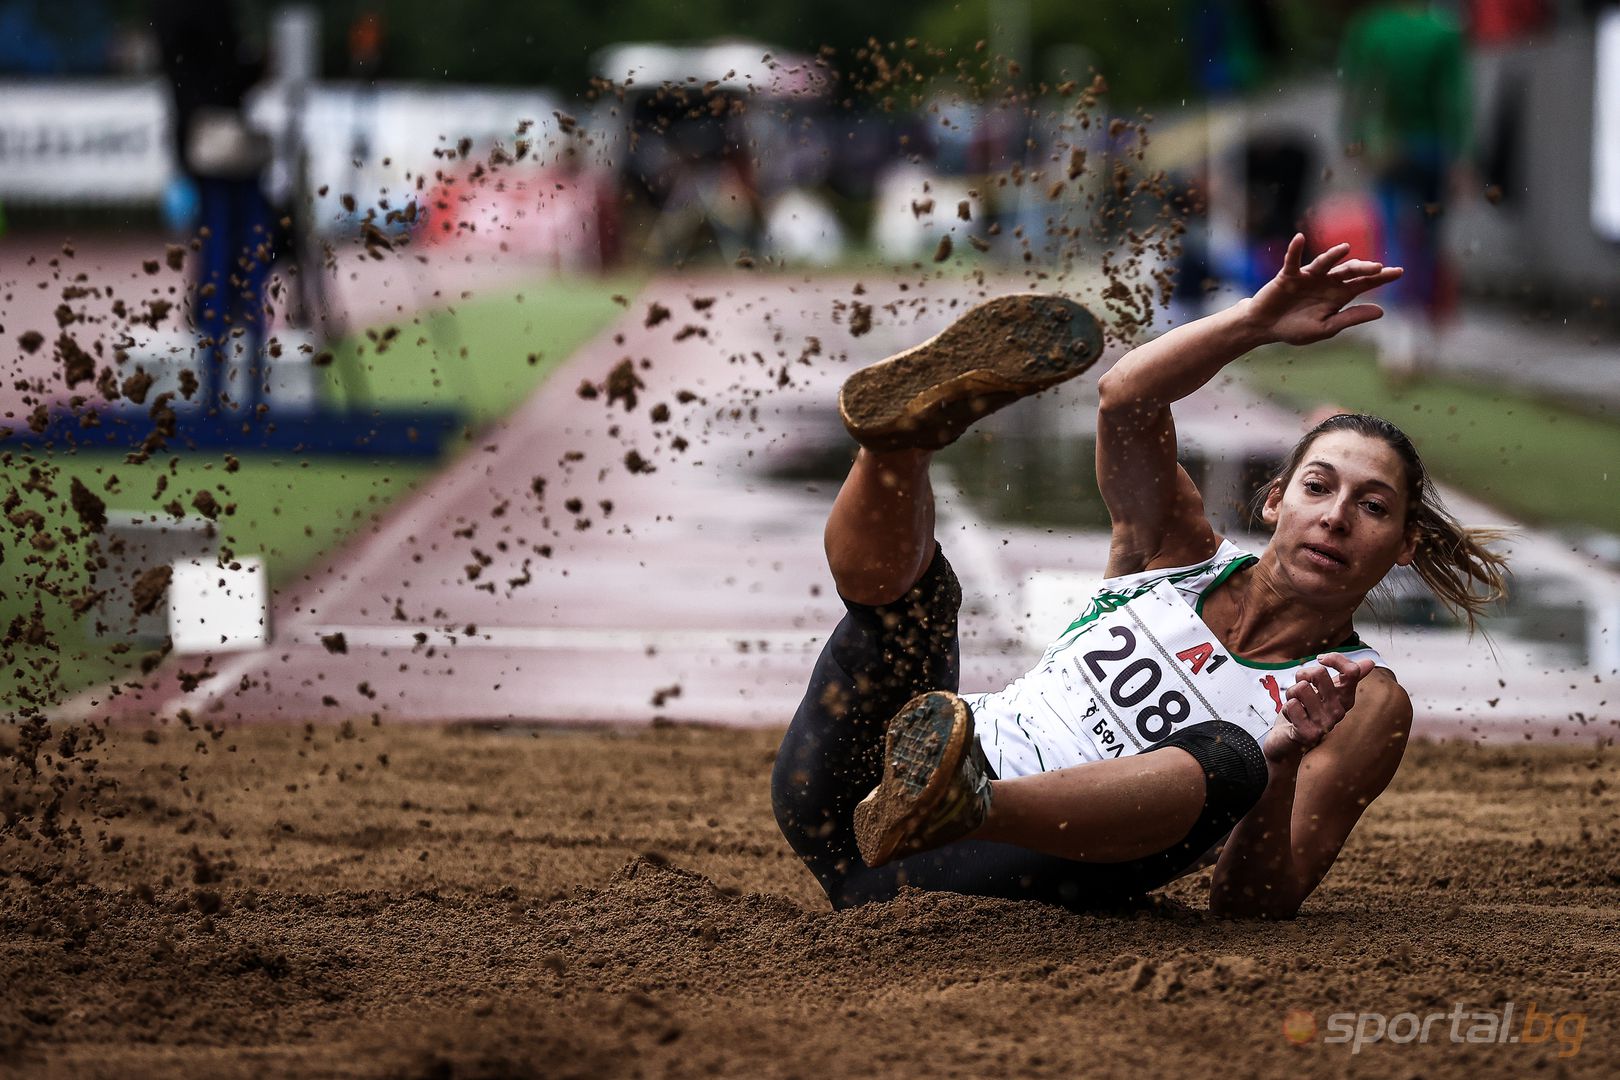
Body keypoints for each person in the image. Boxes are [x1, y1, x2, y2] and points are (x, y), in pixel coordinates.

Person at [772, 236, 1508, 918]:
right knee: (923, 603)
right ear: (1276, 499)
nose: (1337, 517)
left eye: (1372, 506)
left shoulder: (1363, 700)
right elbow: (1128, 399)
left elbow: (1255, 900)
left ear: (1405, 544)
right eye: (1318, 487)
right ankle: (896, 448)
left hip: (989, 869)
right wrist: (1253, 322)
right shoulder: (1176, 553)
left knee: (1233, 757)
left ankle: (963, 799)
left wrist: (1280, 761)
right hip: (845, 794)